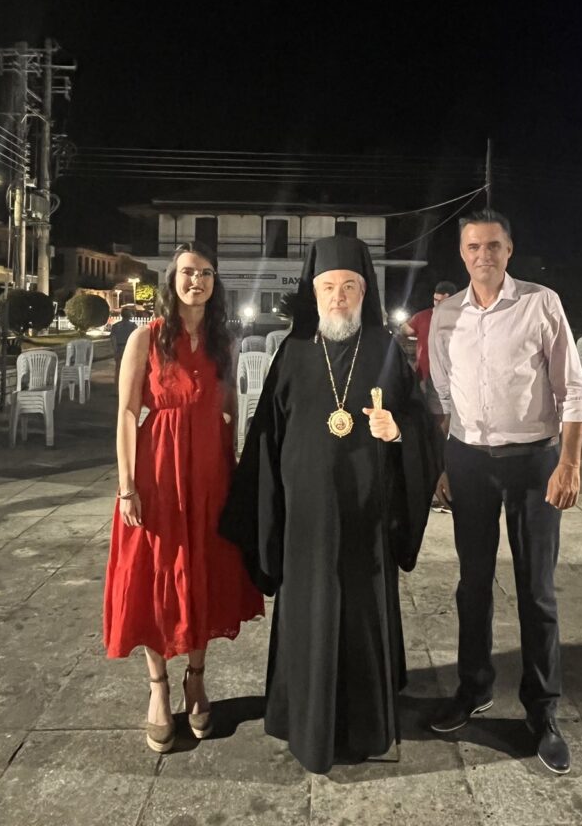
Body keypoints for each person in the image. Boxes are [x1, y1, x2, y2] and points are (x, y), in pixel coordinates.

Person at [221, 236, 442, 774]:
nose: (338, 297)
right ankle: (303, 717)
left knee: (362, 611)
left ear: (364, 293)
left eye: (349, 287)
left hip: (367, 517)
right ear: (313, 293)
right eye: (328, 288)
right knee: (308, 612)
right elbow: (266, 437)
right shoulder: (293, 352)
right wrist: (265, 513)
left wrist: (398, 431)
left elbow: (423, 426)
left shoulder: (386, 351)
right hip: (305, 520)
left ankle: (366, 723)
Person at [428, 210, 582, 775]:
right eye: (473, 247)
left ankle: (542, 711)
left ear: (509, 250)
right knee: (472, 584)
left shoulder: (541, 304)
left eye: (493, 245)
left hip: (533, 463)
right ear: (462, 253)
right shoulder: (446, 315)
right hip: (469, 462)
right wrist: (442, 466)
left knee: (536, 591)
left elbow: (573, 390)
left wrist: (569, 463)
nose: (484, 255)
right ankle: (473, 688)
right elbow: (442, 397)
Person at [103, 242, 264, 754]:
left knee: (201, 572)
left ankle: (196, 678)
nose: (198, 281)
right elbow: (127, 413)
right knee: (155, 575)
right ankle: (158, 687)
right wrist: (127, 485)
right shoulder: (146, 338)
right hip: (157, 474)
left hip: (210, 473)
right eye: (189, 273)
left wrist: (233, 470)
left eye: (207, 273)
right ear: (172, 279)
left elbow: (230, 408)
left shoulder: (222, 341)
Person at [399, 280, 457, 423]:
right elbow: (405, 330)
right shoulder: (423, 316)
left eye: (442, 302)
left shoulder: (464, 318)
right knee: (428, 415)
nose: (437, 304)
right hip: (425, 376)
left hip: (452, 378)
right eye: (436, 300)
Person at [109, 307, 138, 386]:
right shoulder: (133, 326)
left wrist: (115, 350)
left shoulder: (115, 326)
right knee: (129, 369)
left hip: (119, 348)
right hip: (129, 349)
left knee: (118, 369)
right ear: (130, 315)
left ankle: (117, 387)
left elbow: (113, 339)